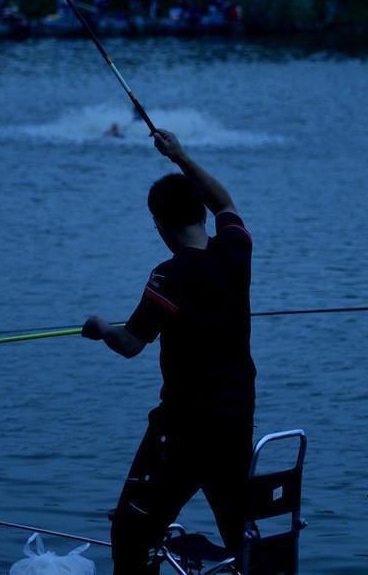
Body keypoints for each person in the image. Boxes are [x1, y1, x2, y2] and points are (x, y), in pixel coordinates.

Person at [82, 129, 256, 573]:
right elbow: (226, 202)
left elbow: (130, 344)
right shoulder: (237, 251)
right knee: (241, 535)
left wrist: (102, 327)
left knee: (129, 533)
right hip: (235, 426)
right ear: (200, 212)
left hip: (182, 434)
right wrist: (181, 157)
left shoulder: (168, 277)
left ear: (160, 227)